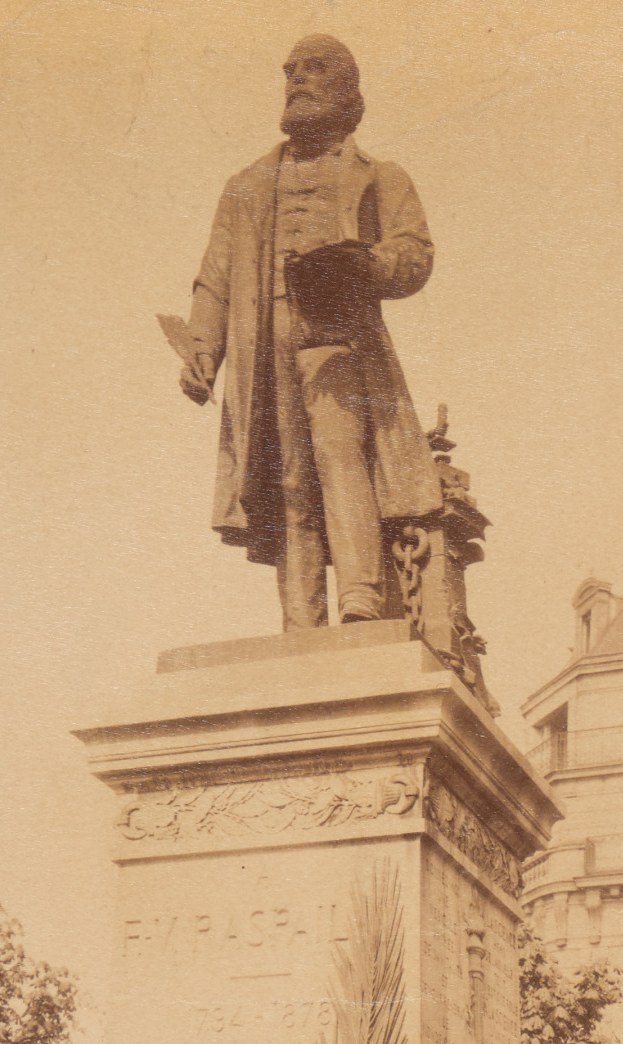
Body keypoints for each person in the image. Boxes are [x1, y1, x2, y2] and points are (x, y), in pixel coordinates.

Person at [177, 35, 444, 630]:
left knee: (339, 454)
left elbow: (414, 252)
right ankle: (301, 616)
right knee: (288, 477)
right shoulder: (245, 186)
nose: (297, 78)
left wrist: (372, 266)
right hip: (263, 348)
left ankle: (360, 593)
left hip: (337, 339)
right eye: (290, 70)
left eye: (314, 68)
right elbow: (214, 280)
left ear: (348, 87)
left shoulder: (380, 176)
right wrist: (202, 349)